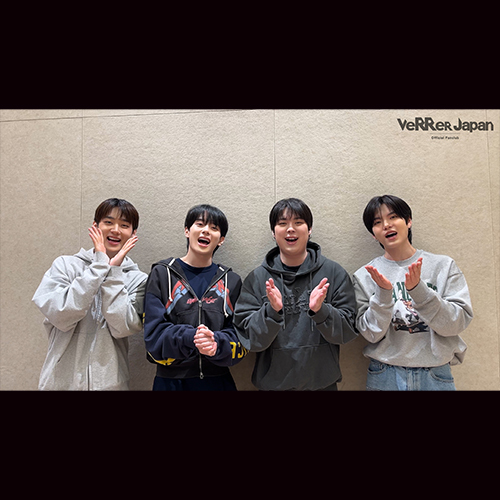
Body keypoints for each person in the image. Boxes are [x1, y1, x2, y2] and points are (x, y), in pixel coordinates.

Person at [233, 198, 358, 391]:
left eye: (298, 222)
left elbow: (348, 331)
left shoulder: (333, 273)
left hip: (322, 385)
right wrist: (272, 312)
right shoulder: (258, 279)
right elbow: (248, 338)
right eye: (283, 223)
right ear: (273, 232)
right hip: (273, 387)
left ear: (309, 229)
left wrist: (321, 311)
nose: (290, 229)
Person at [352, 194, 473, 391]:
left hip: (435, 374)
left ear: (408, 221)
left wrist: (420, 292)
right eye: (377, 222)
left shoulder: (443, 266)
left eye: (393, 217)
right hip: (385, 374)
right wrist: (383, 296)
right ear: (373, 234)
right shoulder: (365, 276)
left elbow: (456, 324)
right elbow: (370, 334)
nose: (387, 225)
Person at [32, 198, 148, 390]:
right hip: (59, 382)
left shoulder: (138, 279)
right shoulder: (65, 266)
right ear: (95, 226)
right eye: (108, 222)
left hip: (110, 385)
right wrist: (99, 267)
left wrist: (113, 273)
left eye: (124, 225)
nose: (116, 230)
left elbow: (122, 328)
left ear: (133, 234)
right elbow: (61, 316)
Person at [143, 204, 247, 391]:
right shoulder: (162, 274)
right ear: (187, 231)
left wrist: (216, 343)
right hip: (170, 381)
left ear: (221, 240)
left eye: (214, 228)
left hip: (218, 381)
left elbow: (242, 336)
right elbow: (152, 336)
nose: (206, 230)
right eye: (200, 224)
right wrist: (191, 337)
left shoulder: (231, 281)